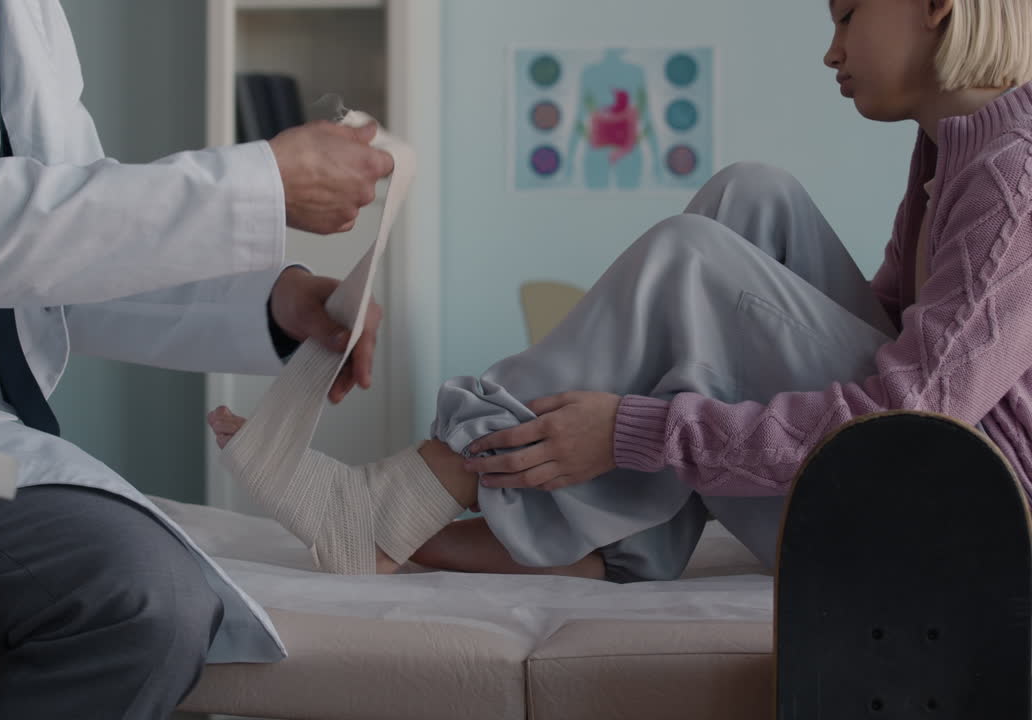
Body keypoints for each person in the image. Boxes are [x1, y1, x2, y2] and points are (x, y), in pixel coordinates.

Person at [211, 0, 1032, 582]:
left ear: (938, 4)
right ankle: (622, 547)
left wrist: (640, 432)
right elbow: (890, 339)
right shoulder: (951, 156)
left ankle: (403, 497)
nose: (831, 49)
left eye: (847, 14)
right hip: (922, 501)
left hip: (953, 538)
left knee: (689, 259)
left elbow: (914, 421)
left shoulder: (1014, 179)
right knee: (752, 196)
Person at [0, 1, 394, 719]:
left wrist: (275, 302)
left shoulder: (25, 13)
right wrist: (257, 185)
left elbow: (66, 243)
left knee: (151, 607)